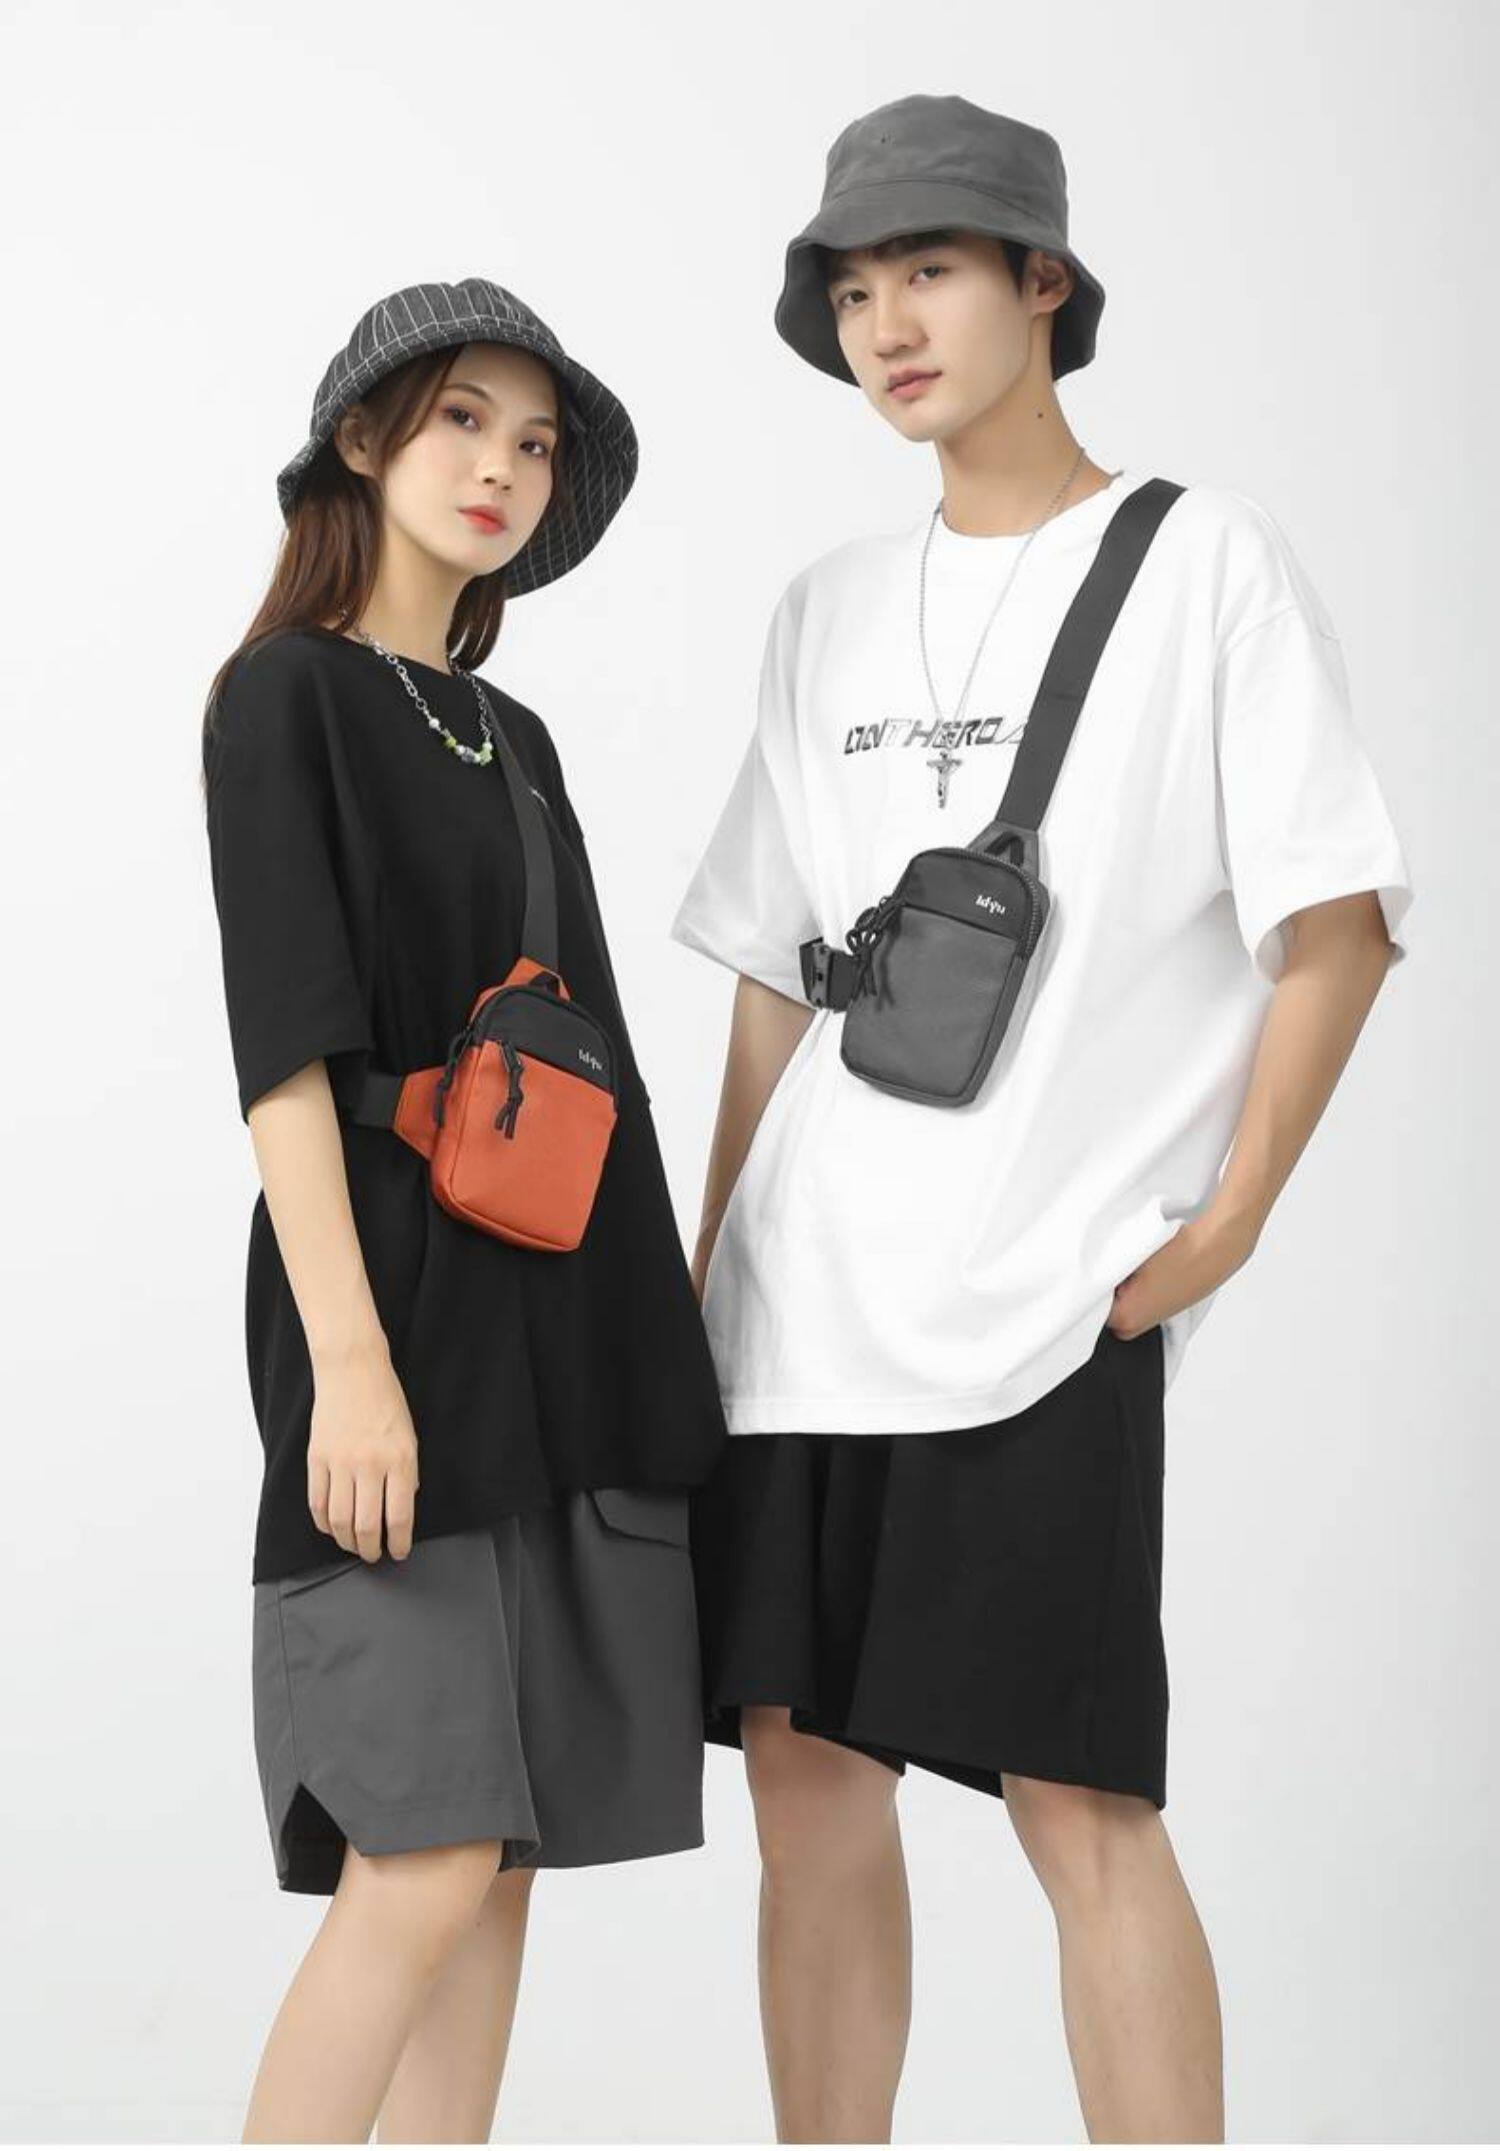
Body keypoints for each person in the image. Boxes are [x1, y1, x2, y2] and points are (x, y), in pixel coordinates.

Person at [668, 96, 1414, 2144]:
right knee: (808, 1794)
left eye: (927, 271)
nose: (885, 324)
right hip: (797, 1312)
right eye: (852, 290)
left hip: (1040, 1304)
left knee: (1084, 1808)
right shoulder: (825, 607)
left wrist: (1229, 1220)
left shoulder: (1202, 564)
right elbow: (771, 978)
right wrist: (697, 1278)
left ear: (1042, 283)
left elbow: (1337, 922)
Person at [202, 277, 726, 2143]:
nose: (502, 464)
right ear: (365, 438)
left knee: (497, 1864)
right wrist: (349, 1369)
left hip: (557, 1329)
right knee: (416, 1849)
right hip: (392, 1319)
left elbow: (594, 1072)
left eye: (535, 441)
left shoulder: (516, 736)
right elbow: (287, 1059)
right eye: (461, 420)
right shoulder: (285, 696)